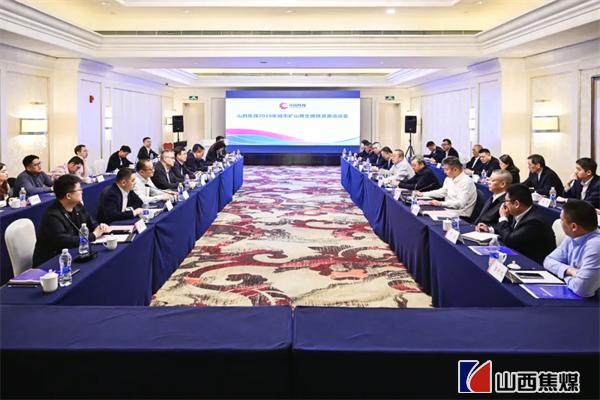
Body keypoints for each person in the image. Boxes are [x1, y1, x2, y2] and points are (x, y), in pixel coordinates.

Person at [32, 174, 108, 266]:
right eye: (79, 190)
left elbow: (92, 223)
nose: (82, 191)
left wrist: (100, 227)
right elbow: (65, 241)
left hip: (73, 254)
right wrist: (94, 235)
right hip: (51, 262)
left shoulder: (78, 206)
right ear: (68, 196)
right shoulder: (52, 216)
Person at [477, 184, 555, 264]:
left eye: (506, 201)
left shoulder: (534, 222)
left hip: (532, 262)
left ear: (516, 204)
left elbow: (510, 241)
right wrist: (490, 229)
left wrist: (503, 217)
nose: (504, 204)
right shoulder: (520, 211)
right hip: (519, 253)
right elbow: (508, 230)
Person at [544, 200, 600, 297]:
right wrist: (569, 270)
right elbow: (548, 261)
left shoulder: (596, 245)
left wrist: (563, 276)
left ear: (573, 227)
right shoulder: (573, 236)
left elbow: (582, 289)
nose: (560, 222)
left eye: (561, 219)